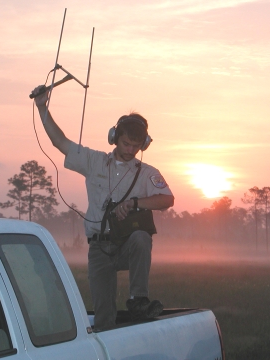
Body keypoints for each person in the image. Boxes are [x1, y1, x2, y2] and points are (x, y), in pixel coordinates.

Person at [31, 85, 174, 330]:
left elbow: (167, 199)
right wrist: (42, 106)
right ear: (114, 138)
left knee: (141, 238)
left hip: (126, 244)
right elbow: (59, 141)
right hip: (98, 247)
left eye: (136, 146)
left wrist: (134, 203)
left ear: (145, 144)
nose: (130, 150)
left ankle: (138, 300)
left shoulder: (147, 173)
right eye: (126, 143)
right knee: (104, 317)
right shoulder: (94, 161)